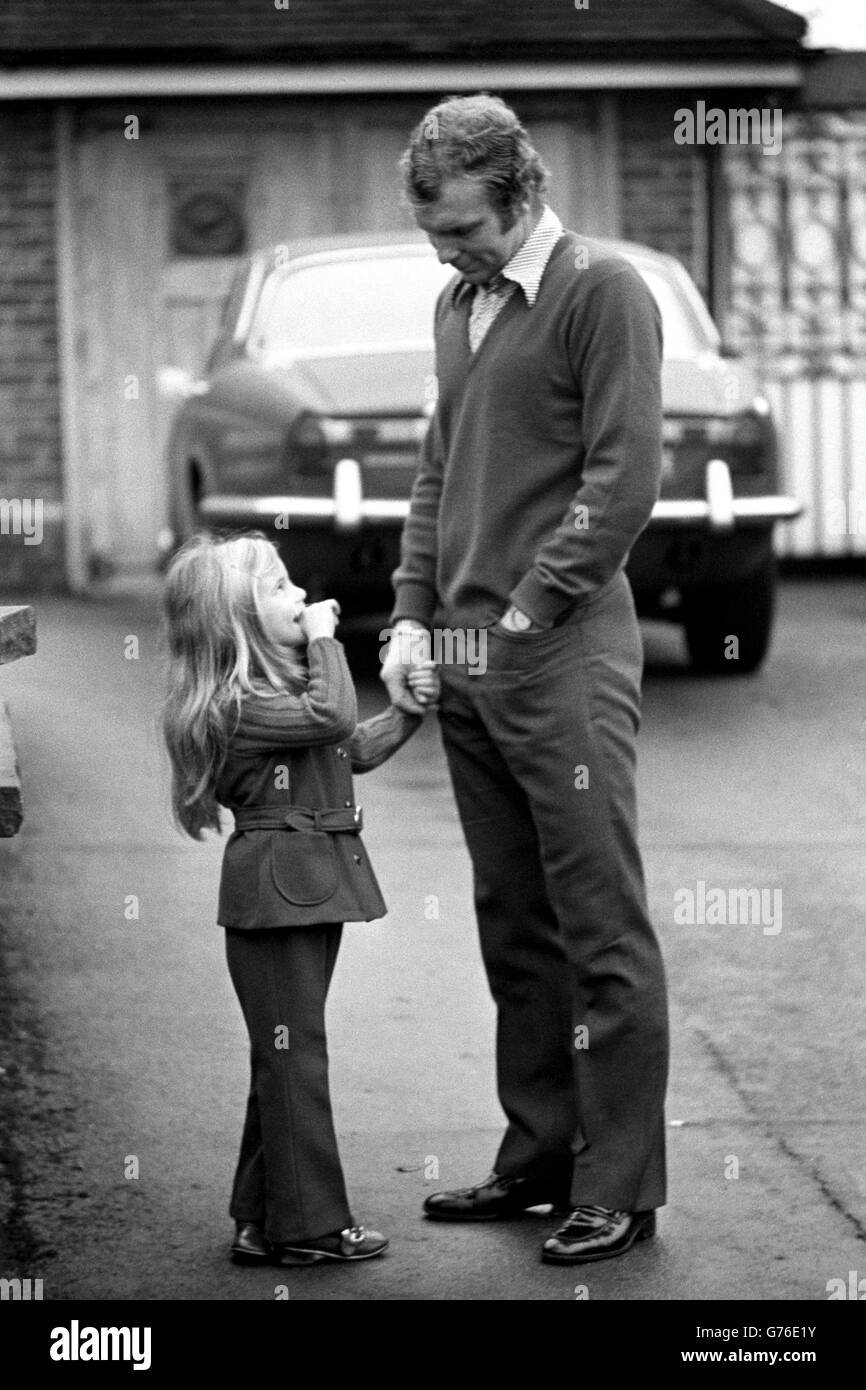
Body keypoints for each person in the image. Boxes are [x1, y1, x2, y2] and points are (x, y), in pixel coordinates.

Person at [381, 94, 670, 1265]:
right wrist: (407, 618)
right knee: (515, 924)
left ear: (523, 195)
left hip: (556, 654)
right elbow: (438, 471)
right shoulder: (459, 304)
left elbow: (624, 475)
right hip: (462, 660)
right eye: (434, 237)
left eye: (462, 230)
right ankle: (539, 1151)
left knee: (598, 921)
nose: (448, 254)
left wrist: (525, 605)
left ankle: (618, 1181)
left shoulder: (601, 293)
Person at [162, 532, 438, 1266]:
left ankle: (260, 1217)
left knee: (280, 1059)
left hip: (307, 888)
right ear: (240, 622)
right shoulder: (239, 705)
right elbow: (333, 720)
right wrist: (327, 641)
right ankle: (310, 1226)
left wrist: (407, 712)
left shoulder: (281, 698)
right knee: (296, 1060)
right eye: (280, 589)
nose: (301, 597)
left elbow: (349, 747)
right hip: (277, 895)